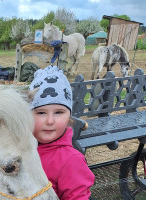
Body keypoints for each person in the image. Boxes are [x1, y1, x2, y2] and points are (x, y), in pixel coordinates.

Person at [29, 65, 95, 200]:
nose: (50, 121)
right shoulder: (20, 149)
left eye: (59, 112)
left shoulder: (70, 160)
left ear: (69, 116)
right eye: (41, 113)